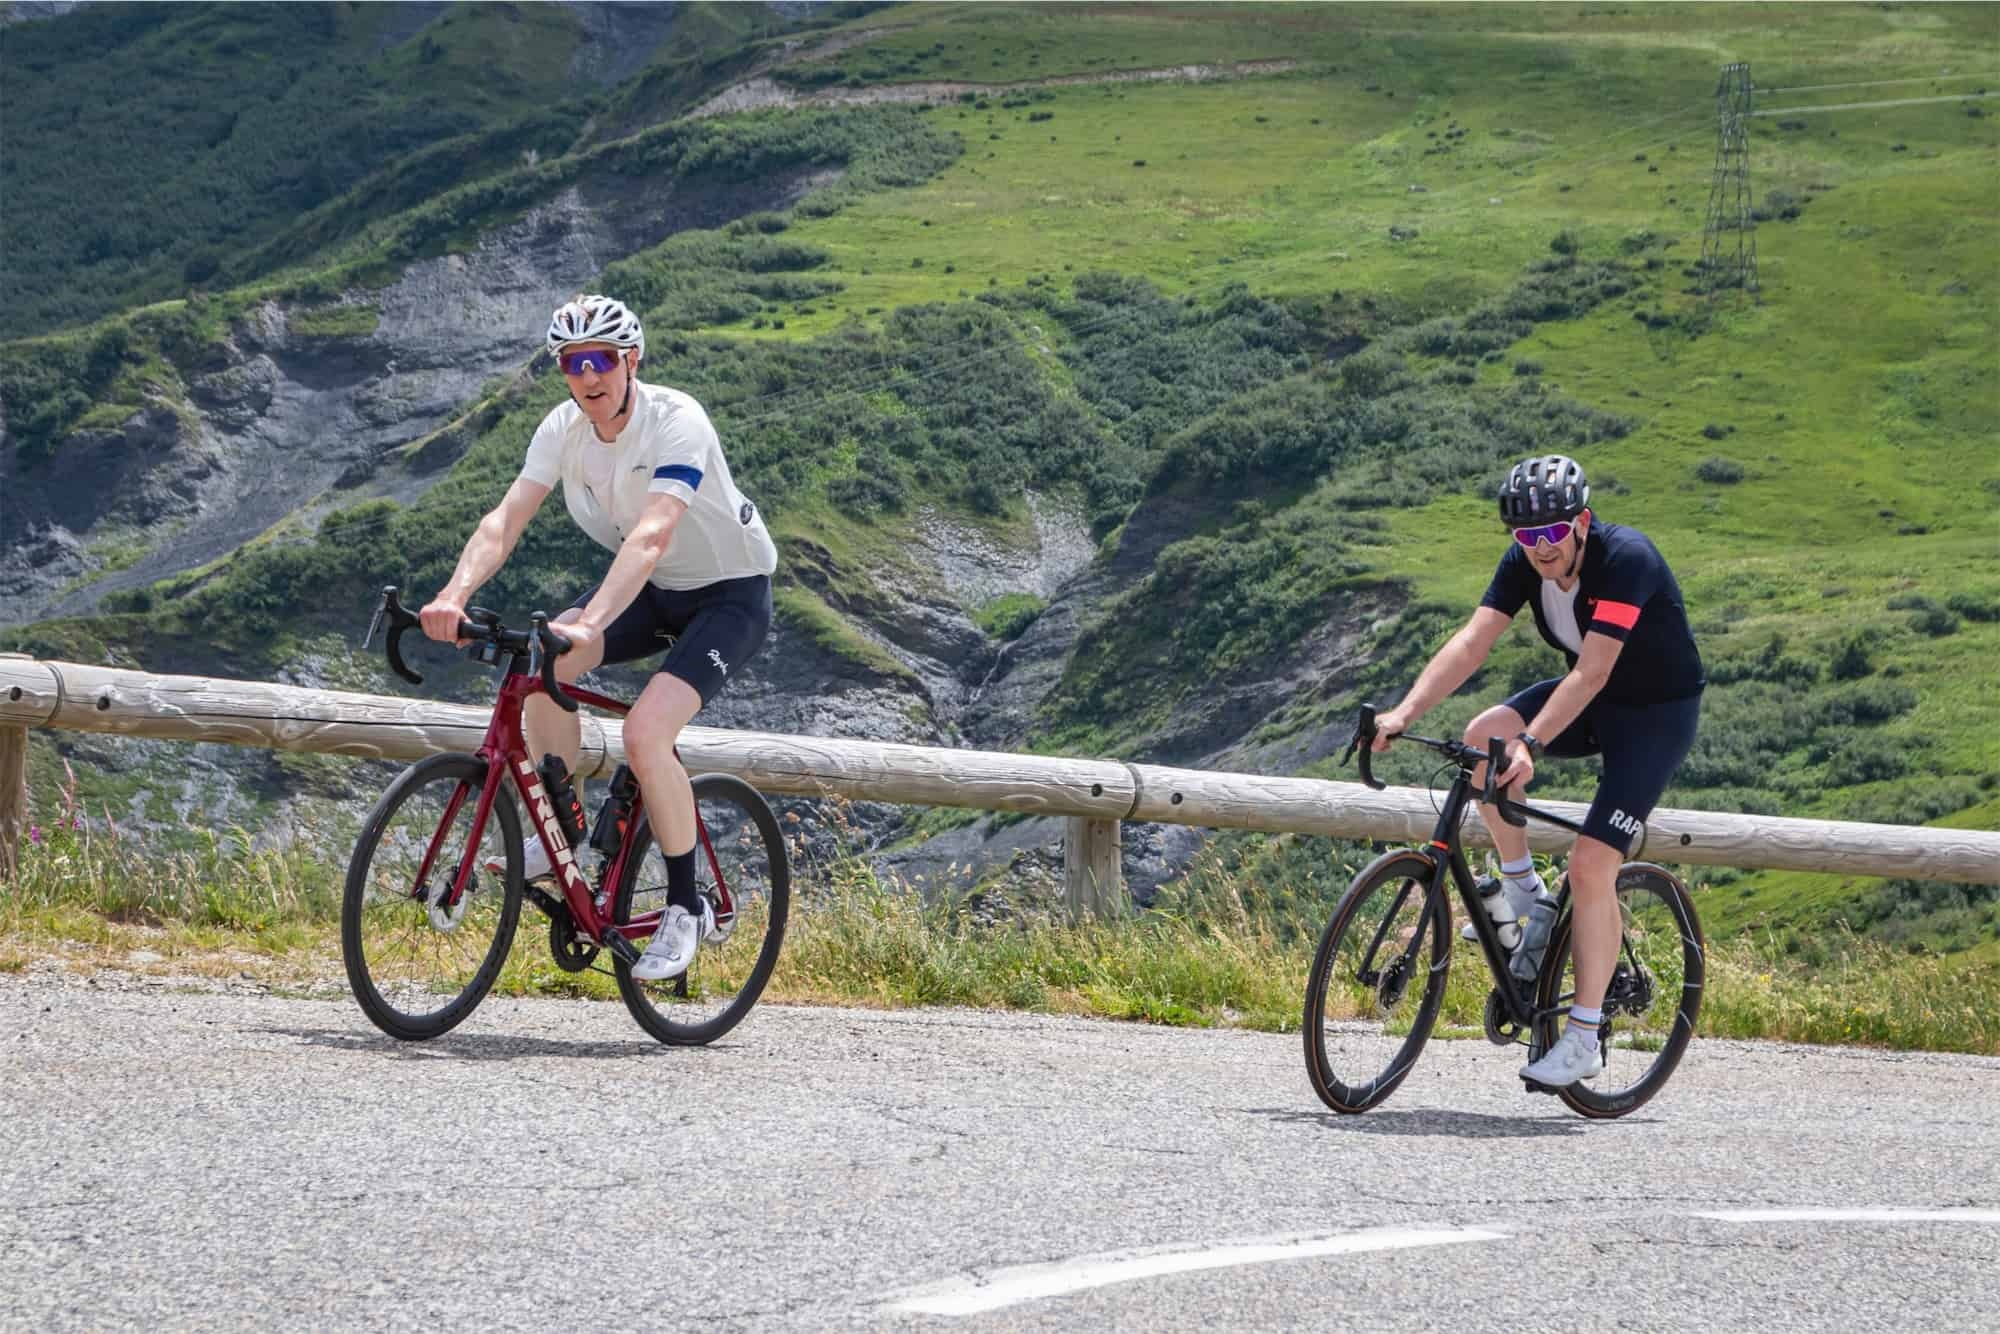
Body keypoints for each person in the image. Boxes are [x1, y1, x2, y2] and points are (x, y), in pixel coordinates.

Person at [420, 294, 777, 982]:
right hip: (649, 590)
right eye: (573, 362)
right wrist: (452, 595)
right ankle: (569, 835)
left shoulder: (677, 421)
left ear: (631, 360)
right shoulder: (563, 430)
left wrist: (589, 620)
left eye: (603, 360)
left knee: (646, 734)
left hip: (729, 594)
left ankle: (683, 907)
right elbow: (504, 520)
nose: (590, 375)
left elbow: (652, 534)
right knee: (535, 669)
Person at [1369, 454, 1703, 1087]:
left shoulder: (1627, 558)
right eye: (1526, 537)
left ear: (1581, 522)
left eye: (1551, 535)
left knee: (1591, 863)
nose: (1540, 550)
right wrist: (1404, 713)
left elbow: (1593, 671)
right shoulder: (1525, 562)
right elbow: (1473, 641)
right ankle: (1523, 890)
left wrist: (1532, 741)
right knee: (1480, 739)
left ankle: (1583, 1038)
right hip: (1596, 699)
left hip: (1655, 715)